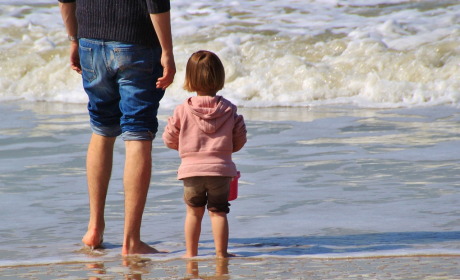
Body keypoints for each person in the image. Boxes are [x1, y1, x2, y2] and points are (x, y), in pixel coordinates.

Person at [58, 0, 176, 255]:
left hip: (90, 38)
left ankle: (94, 229)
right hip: (136, 40)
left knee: (102, 128)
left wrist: (74, 38)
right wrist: (167, 50)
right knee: (137, 133)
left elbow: (65, 0)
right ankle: (131, 241)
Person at [162, 50, 247, 258]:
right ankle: (221, 254)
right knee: (218, 212)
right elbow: (239, 140)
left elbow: (168, 138)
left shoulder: (183, 110)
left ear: (189, 78)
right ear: (219, 77)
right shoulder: (229, 109)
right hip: (220, 171)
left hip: (191, 172)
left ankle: (191, 254)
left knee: (193, 213)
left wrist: (186, 150)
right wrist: (225, 151)